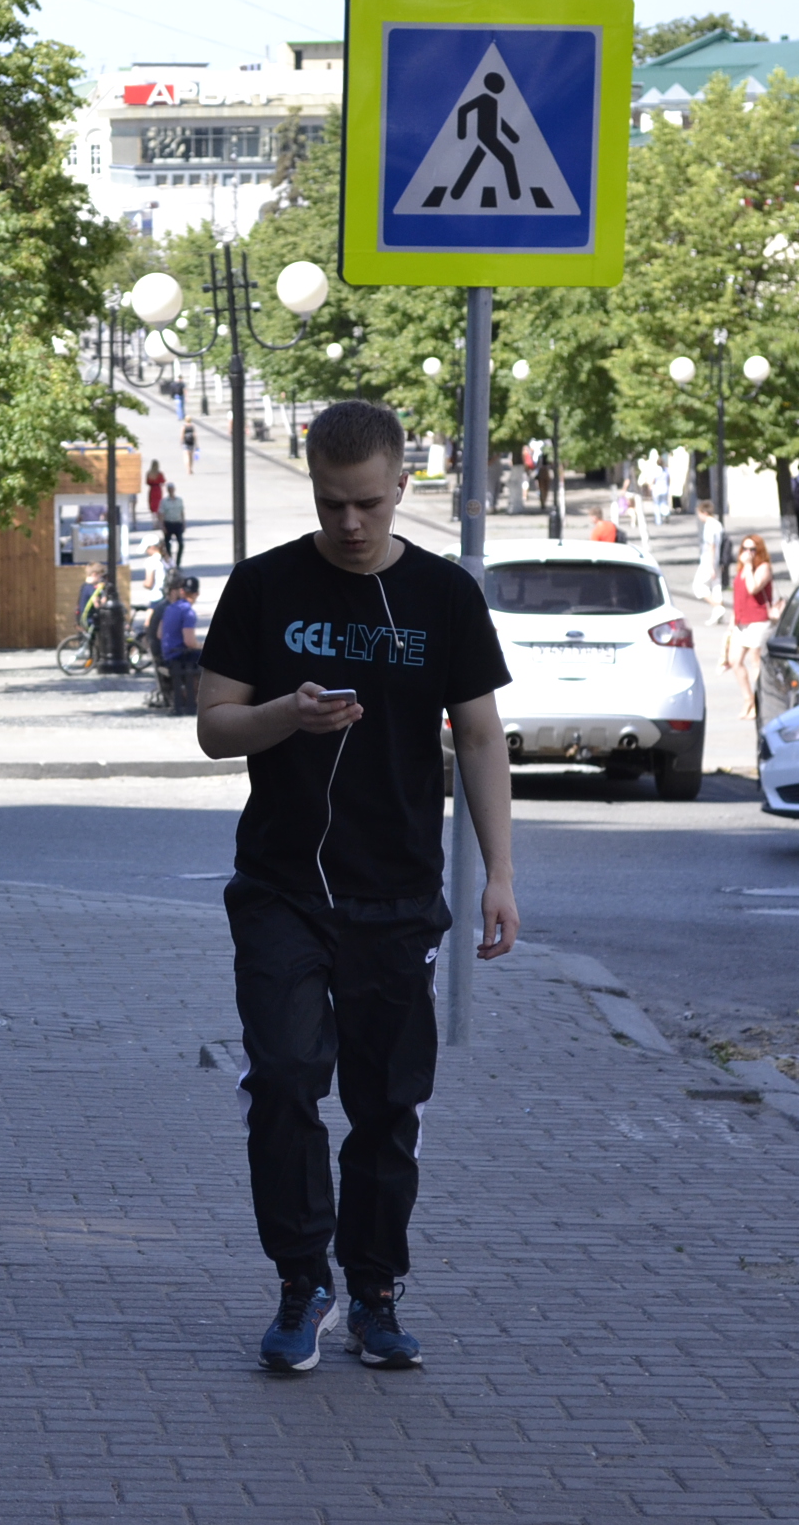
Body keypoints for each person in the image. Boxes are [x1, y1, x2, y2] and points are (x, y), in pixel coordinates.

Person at [194, 399, 515, 1375]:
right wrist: (286, 715)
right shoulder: (263, 587)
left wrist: (501, 873)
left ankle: (374, 1289)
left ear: (400, 488)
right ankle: (303, 1282)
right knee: (287, 1077)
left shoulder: (443, 599)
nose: (349, 524)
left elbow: (483, 736)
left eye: (368, 503)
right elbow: (214, 725)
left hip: (396, 894)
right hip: (283, 888)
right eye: (332, 504)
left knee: (387, 1103)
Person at [727, 535, 774, 719]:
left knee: (756, 663)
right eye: (744, 549)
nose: (748, 553)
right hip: (741, 621)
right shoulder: (740, 570)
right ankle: (748, 699)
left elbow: (753, 588)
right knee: (734, 661)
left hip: (758, 621)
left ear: (759, 551)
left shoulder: (764, 568)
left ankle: (759, 703)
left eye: (752, 549)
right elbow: (739, 596)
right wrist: (731, 624)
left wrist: (748, 566)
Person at [159, 574, 203, 715]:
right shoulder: (188, 612)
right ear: (196, 594)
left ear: (182, 591)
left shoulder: (170, 607)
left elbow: (159, 634)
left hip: (167, 653)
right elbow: (189, 642)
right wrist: (202, 646)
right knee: (210, 659)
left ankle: (190, 696)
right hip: (179, 655)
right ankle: (197, 698)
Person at [691, 501, 726, 624]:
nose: (699, 517)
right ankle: (717, 613)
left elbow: (711, 546)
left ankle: (718, 607)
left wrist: (710, 565)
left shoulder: (709, 525)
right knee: (716, 586)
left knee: (698, 586)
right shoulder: (718, 524)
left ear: (704, 512)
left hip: (708, 560)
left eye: (699, 513)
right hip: (717, 560)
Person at [160, 483, 187, 567]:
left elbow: (182, 512)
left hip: (177, 523)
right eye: (169, 489)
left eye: (172, 489)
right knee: (168, 545)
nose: (171, 490)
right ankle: (170, 563)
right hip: (168, 523)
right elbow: (161, 514)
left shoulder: (179, 500)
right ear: (167, 490)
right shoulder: (164, 501)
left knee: (181, 544)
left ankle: (178, 563)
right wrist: (162, 526)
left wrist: (184, 523)